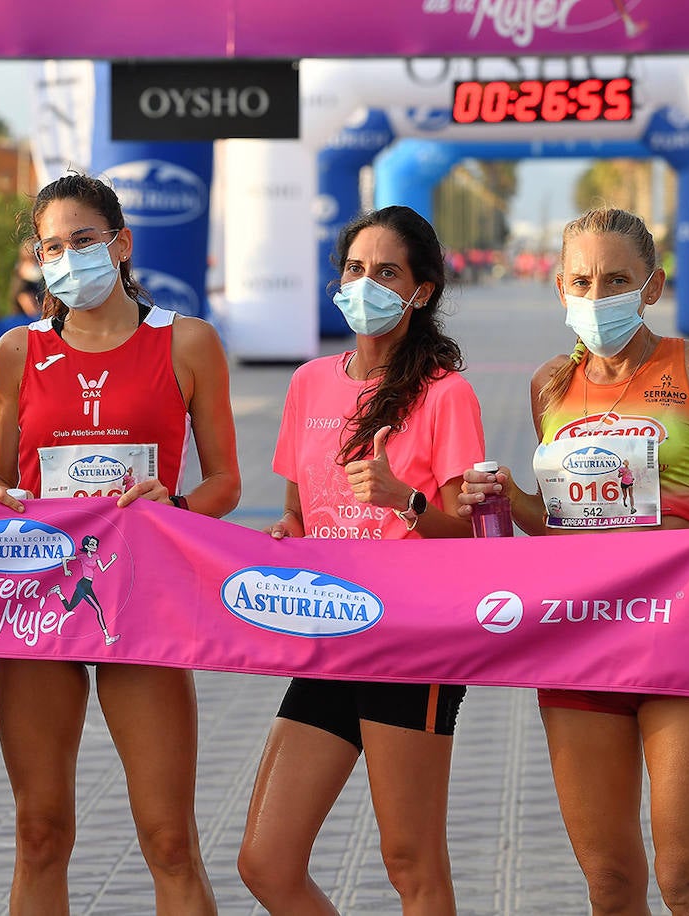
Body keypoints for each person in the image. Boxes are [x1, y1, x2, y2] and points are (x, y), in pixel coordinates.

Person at [457, 207, 689, 916]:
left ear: (651, 287)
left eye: (617, 280)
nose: (597, 297)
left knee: (686, 881)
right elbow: (559, 521)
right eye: (583, 281)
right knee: (612, 885)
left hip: (681, 637)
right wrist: (502, 499)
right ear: (560, 287)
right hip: (580, 641)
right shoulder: (549, 384)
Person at [0, 172, 240, 914]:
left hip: (144, 599)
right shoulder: (16, 352)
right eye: (53, 246)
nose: (69, 257)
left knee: (167, 838)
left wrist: (179, 503)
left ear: (122, 244)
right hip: (39, 603)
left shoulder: (187, 341)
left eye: (85, 240)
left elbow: (225, 481)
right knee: (39, 833)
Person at [238, 205, 485, 915]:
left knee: (411, 865)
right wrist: (285, 536)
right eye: (355, 269)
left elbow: (473, 545)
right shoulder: (309, 382)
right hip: (329, 635)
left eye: (387, 272)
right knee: (265, 861)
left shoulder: (447, 394)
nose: (366, 285)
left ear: (422, 292)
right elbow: (296, 512)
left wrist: (404, 501)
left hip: (413, 644)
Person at [11, 240, 46, 319]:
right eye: (30, 260)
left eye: (36, 260)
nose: (34, 264)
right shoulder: (22, 285)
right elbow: (33, 312)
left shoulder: (43, 280)